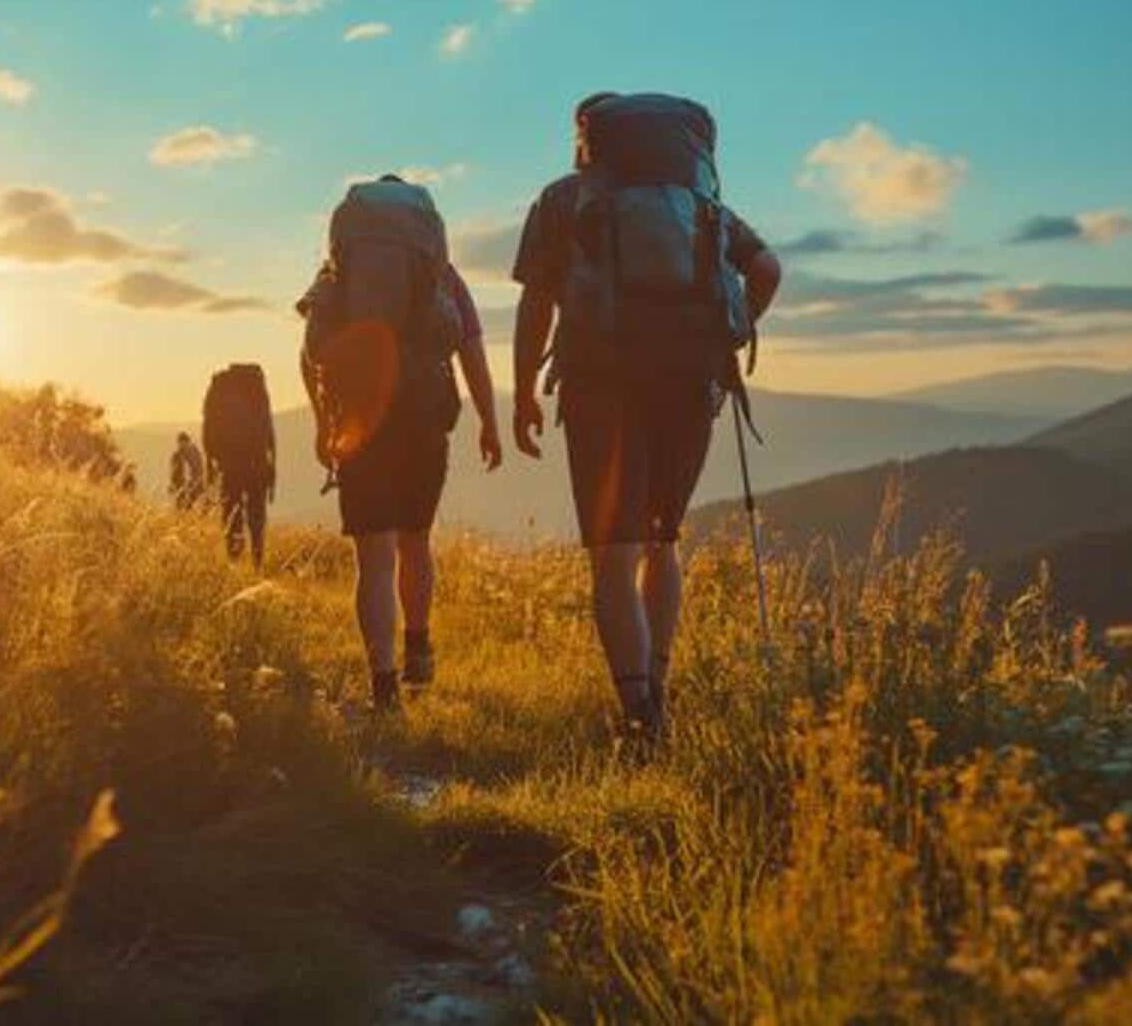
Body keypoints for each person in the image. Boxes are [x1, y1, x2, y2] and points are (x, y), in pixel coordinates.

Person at [510, 94, 782, 740]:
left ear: (587, 139)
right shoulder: (701, 205)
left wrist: (522, 394)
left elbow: (535, 303)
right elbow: (767, 268)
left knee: (613, 552)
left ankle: (638, 714)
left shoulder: (562, 200)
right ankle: (659, 685)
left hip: (598, 383)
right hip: (688, 378)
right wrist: (734, 327)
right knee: (662, 540)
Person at [300, 175, 502, 713]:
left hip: (360, 419)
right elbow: (472, 353)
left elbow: (310, 354)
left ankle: (383, 685)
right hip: (424, 415)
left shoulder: (335, 275)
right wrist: (489, 421)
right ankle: (417, 644)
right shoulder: (444, 278)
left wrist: (322, 424)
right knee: (415, 539)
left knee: (374, 556)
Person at [202, 363, 276, 567]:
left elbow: (207, 428)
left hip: (229, 463)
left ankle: (234, 559)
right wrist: (272, 469)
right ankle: (257, 560)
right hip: (257, 461)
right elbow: (268, 430)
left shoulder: (219, 387)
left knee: (231, 512)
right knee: (257, 514)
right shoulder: (257, 386)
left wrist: (210, 464)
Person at [169, 431, 206, 511]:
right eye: (180, 443)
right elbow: (174, 471)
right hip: (182, 485)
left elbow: (199, 469)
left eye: (183, 442)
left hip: (192, 485)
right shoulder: (177, 455)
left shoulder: (194, 454)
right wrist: (172, 484)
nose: (181, 445)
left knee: (188, 506)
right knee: (182, 506)